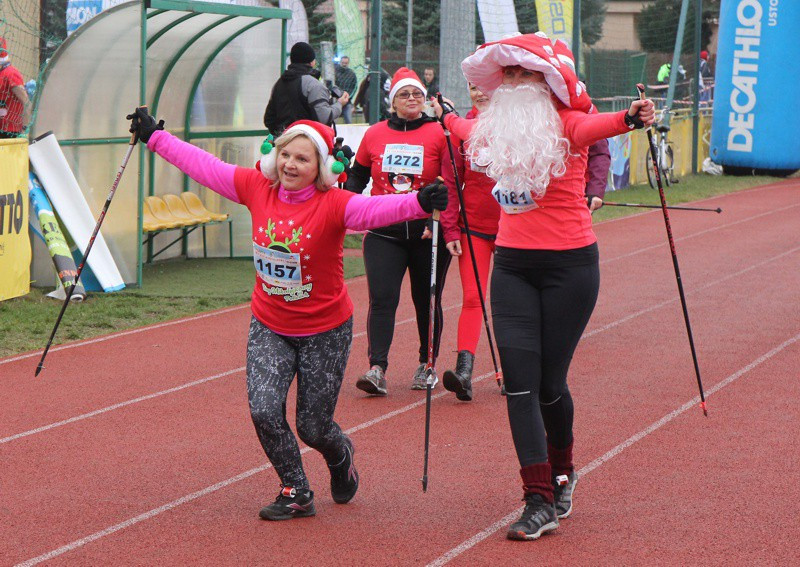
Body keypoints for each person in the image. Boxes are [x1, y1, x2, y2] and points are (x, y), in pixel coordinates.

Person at [128, 108, 447, 520]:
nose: (290, 164)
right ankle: (296, 488)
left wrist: (419, 202)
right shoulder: (255, 186)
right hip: (270, 325)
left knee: (313, 427)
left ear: (322, 167)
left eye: (302, 158)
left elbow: (375, 212)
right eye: (285, 155)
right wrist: (156, 137)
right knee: (263, 409)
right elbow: (203, 165)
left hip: (325, 330)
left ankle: (340, 453)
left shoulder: (335, 204)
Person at [433, 33, 654, 541]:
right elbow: (465, 129)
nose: (511, 82)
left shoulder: (568, 122)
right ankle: (537, 499)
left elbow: (603, 125)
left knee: (551, 387)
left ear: (549, 81)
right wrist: (444, 117)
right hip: (511, 267)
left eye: (523, 73)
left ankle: (563, 471)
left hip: (569, 269)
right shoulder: (495, 128)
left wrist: (631, 116)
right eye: (506, 73)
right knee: (520, 384)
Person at [346, 67, 457, 395]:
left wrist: (434, 218)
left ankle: (427, 364)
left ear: (425, 99)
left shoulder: (439, 133)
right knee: (382, 299)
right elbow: (358, 176)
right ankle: (377, 368)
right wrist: (347, 206)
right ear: (392, 100)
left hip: (427, 233)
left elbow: (450, 182)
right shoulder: (375, 133)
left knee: (427, 300)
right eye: (404, 94)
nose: (412, 99)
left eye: (417, 94)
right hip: (383, 232)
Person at [438, 82, 500, 401]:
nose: (480, 91)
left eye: (486, 84)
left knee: (510, 303)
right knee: (473, 298)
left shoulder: (519, 124)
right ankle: (464, 372)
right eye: (473, 86)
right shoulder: (461, 128)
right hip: (472, 228)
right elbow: (451, 185)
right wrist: (450, 231)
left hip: (514, 230)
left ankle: (518, 370)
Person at [263, 41, 350, 135]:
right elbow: (324, 117)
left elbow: (269, 119)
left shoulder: (279, 84)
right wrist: (340, 104)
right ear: (312, 62)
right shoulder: (313, 85)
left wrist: (282, 135)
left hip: (284, 142)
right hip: (307, 142)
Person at [0, 38, 31, 138]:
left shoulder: (11, 74)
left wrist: (25, 130)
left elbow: (26, 102)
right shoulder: (2, 73)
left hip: (11, 131)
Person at [335, 56, 358, 124]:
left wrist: (348, 96)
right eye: (343, 63)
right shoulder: (334, 73)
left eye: (346, 63)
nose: (344, 64)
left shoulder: (351, 74)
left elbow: (354, 87)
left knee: (349, 121)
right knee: (333, 121)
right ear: (340, 62)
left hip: (347, 101)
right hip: (335, 101)